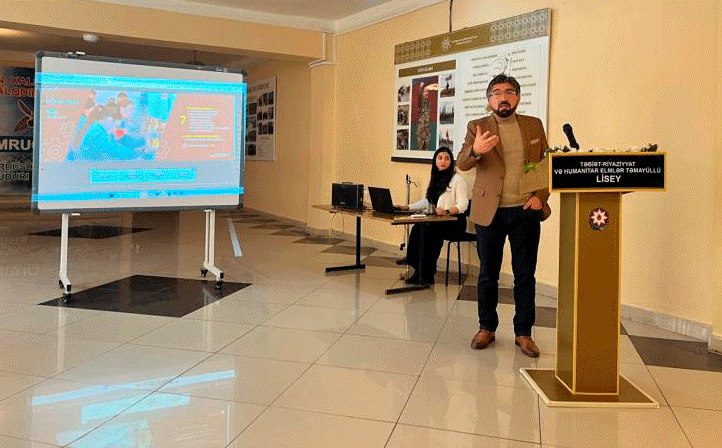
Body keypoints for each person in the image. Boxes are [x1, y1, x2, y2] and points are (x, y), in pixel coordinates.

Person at [457, 74, 550, 358]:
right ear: (489, 100)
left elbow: (545, 163)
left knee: (525, 275)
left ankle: (523, 333)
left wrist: (541, 196)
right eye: (496, 93)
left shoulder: (533, 125)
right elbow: (462, 162)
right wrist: (476, 150)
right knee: (488, 274)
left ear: (518, 97)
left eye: (509, 92)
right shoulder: (477, 126)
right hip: (489, 211)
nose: (503, 97)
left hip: (525, 209)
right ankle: (486, 327)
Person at [397, 146, 468, 284]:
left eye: (447, 158)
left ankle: (425, 273)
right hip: (438, 221)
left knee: (429, 230)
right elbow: (427, 201)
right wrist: (407, 207)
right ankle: (418, 267)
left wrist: (447, 211)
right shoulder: (435, 179)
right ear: (435, 161)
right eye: (440, 158)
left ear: (451, 162)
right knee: (418, 227)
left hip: (454, 222)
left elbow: (463, 204)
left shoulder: (457, 180)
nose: (443, 161)